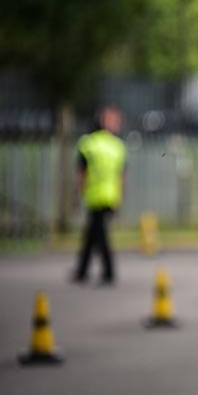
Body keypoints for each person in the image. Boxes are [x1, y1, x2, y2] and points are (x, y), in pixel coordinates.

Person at [72, 106, 126, 285]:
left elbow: (82, 173)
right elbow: (121, 177)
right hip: (109, 196)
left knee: (98, 234)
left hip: (94, 195)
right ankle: (82, 271)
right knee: (92, 234)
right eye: (115, 120)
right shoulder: (118, 146)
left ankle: (107, 271)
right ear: (103, 121)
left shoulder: (87, 144)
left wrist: (76, 195)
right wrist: (119, 198)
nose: (118, 123)